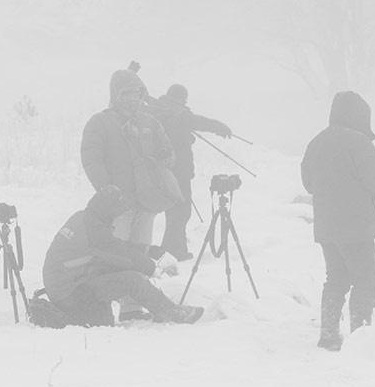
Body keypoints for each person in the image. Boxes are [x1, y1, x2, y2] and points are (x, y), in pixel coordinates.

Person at [80, 61, 177, 320]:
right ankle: (102, 306)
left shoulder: (150, 122)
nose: (132, 99)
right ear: (115, 94)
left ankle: (133, 307)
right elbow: (92, 159)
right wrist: (106, 190)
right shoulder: (99, 123)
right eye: (126, 93)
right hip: (118, 205)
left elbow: (165, 148)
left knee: (139, 254)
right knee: (116, 256)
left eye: (137, 93)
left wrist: (167, 154)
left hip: (146, 203)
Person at [301, 91, 375, 351]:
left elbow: (307, 182)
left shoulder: (316, 142)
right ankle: (361, 340)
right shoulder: (359, 142)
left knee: (336, 279)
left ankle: (329, 335)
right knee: (364, 281)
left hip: (327, 228)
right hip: (356, 228)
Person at [41, 184, 203, 326]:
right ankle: (175, 313)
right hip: (70, 294)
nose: (117, 217)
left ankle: (162, 308)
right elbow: (122, 254)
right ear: (108, 210)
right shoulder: (94, 230)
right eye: (116, 212)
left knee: (115, 274)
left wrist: (149, 250)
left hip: (66, 286)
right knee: (133, 280)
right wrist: (152, 267)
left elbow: (114, 246)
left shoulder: (84, 218)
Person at [147, 84, 232, 261]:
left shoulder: (158, 110)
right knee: (181, 212)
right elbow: (200, 122)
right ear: (181, 99)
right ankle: (173, 252)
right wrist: (220, 127)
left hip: (161, 169)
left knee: (174, 212)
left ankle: (175, 251)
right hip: (179, 170)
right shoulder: (178, 114)